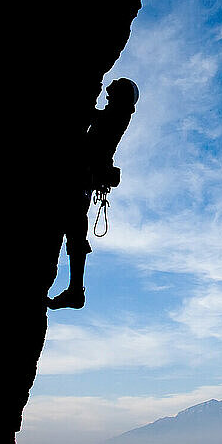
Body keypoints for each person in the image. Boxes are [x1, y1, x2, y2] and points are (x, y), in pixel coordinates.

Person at [47, 78, 139, 310]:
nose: (107, 94)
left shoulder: (115, 116)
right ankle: (75, 290)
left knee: (75, 232)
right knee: (76, 232)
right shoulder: (116, 114)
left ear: (120, 97)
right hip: (83, 180)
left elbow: (90, 119)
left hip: (81, 180)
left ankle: (76, 290)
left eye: (112, 92)